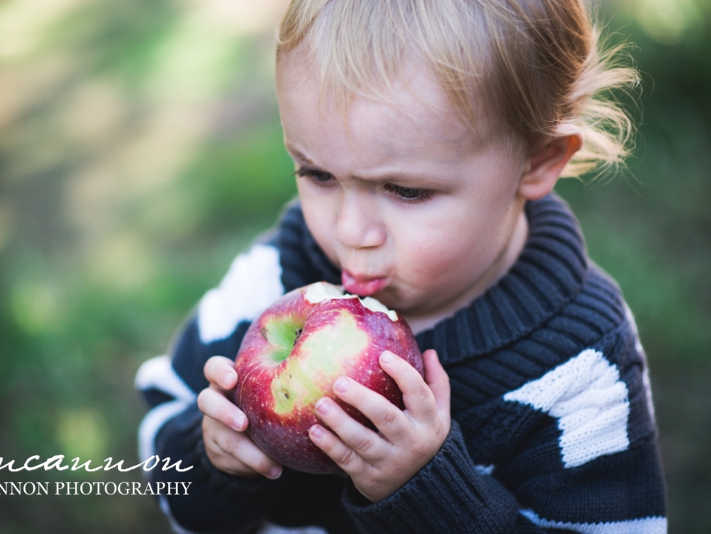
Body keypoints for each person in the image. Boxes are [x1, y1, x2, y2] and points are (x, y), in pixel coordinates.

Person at [135, 0, 667, 532]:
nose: (350, 232)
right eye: (319, 174)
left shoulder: (580, 364)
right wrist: (214, 458)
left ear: (539, 160)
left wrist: (430, 498)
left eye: (406, 190)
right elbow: (161, 436)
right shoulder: (277, 274)